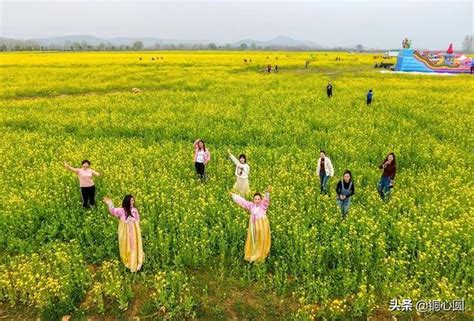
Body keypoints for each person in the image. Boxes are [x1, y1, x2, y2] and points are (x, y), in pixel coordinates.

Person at [230, 186, 272, 262]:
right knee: (254, 239)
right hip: (253, 226)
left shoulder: (263, 205)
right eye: (255, 199)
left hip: (262, 225)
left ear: (261, 200)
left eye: (259, 199)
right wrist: (233, 195)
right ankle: (253, 254)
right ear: (253, 200)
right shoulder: (251, 205)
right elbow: (242, 201)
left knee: (261, 238)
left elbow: (266, 200)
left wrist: (267, 193)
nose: (257, 201)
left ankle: (261, 254)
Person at [103, 195, 144, 272]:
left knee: (134, 245)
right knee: (126, 245)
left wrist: (137, 228)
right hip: (125, 232)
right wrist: (110, 203)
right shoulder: (121, 210)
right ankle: (128, 261)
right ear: (127, 202)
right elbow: (113, 211)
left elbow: (138, 219)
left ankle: (136, 262)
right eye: (131, 201)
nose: (133, 202)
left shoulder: (134, 210)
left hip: (134, 232)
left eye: (133, 201)